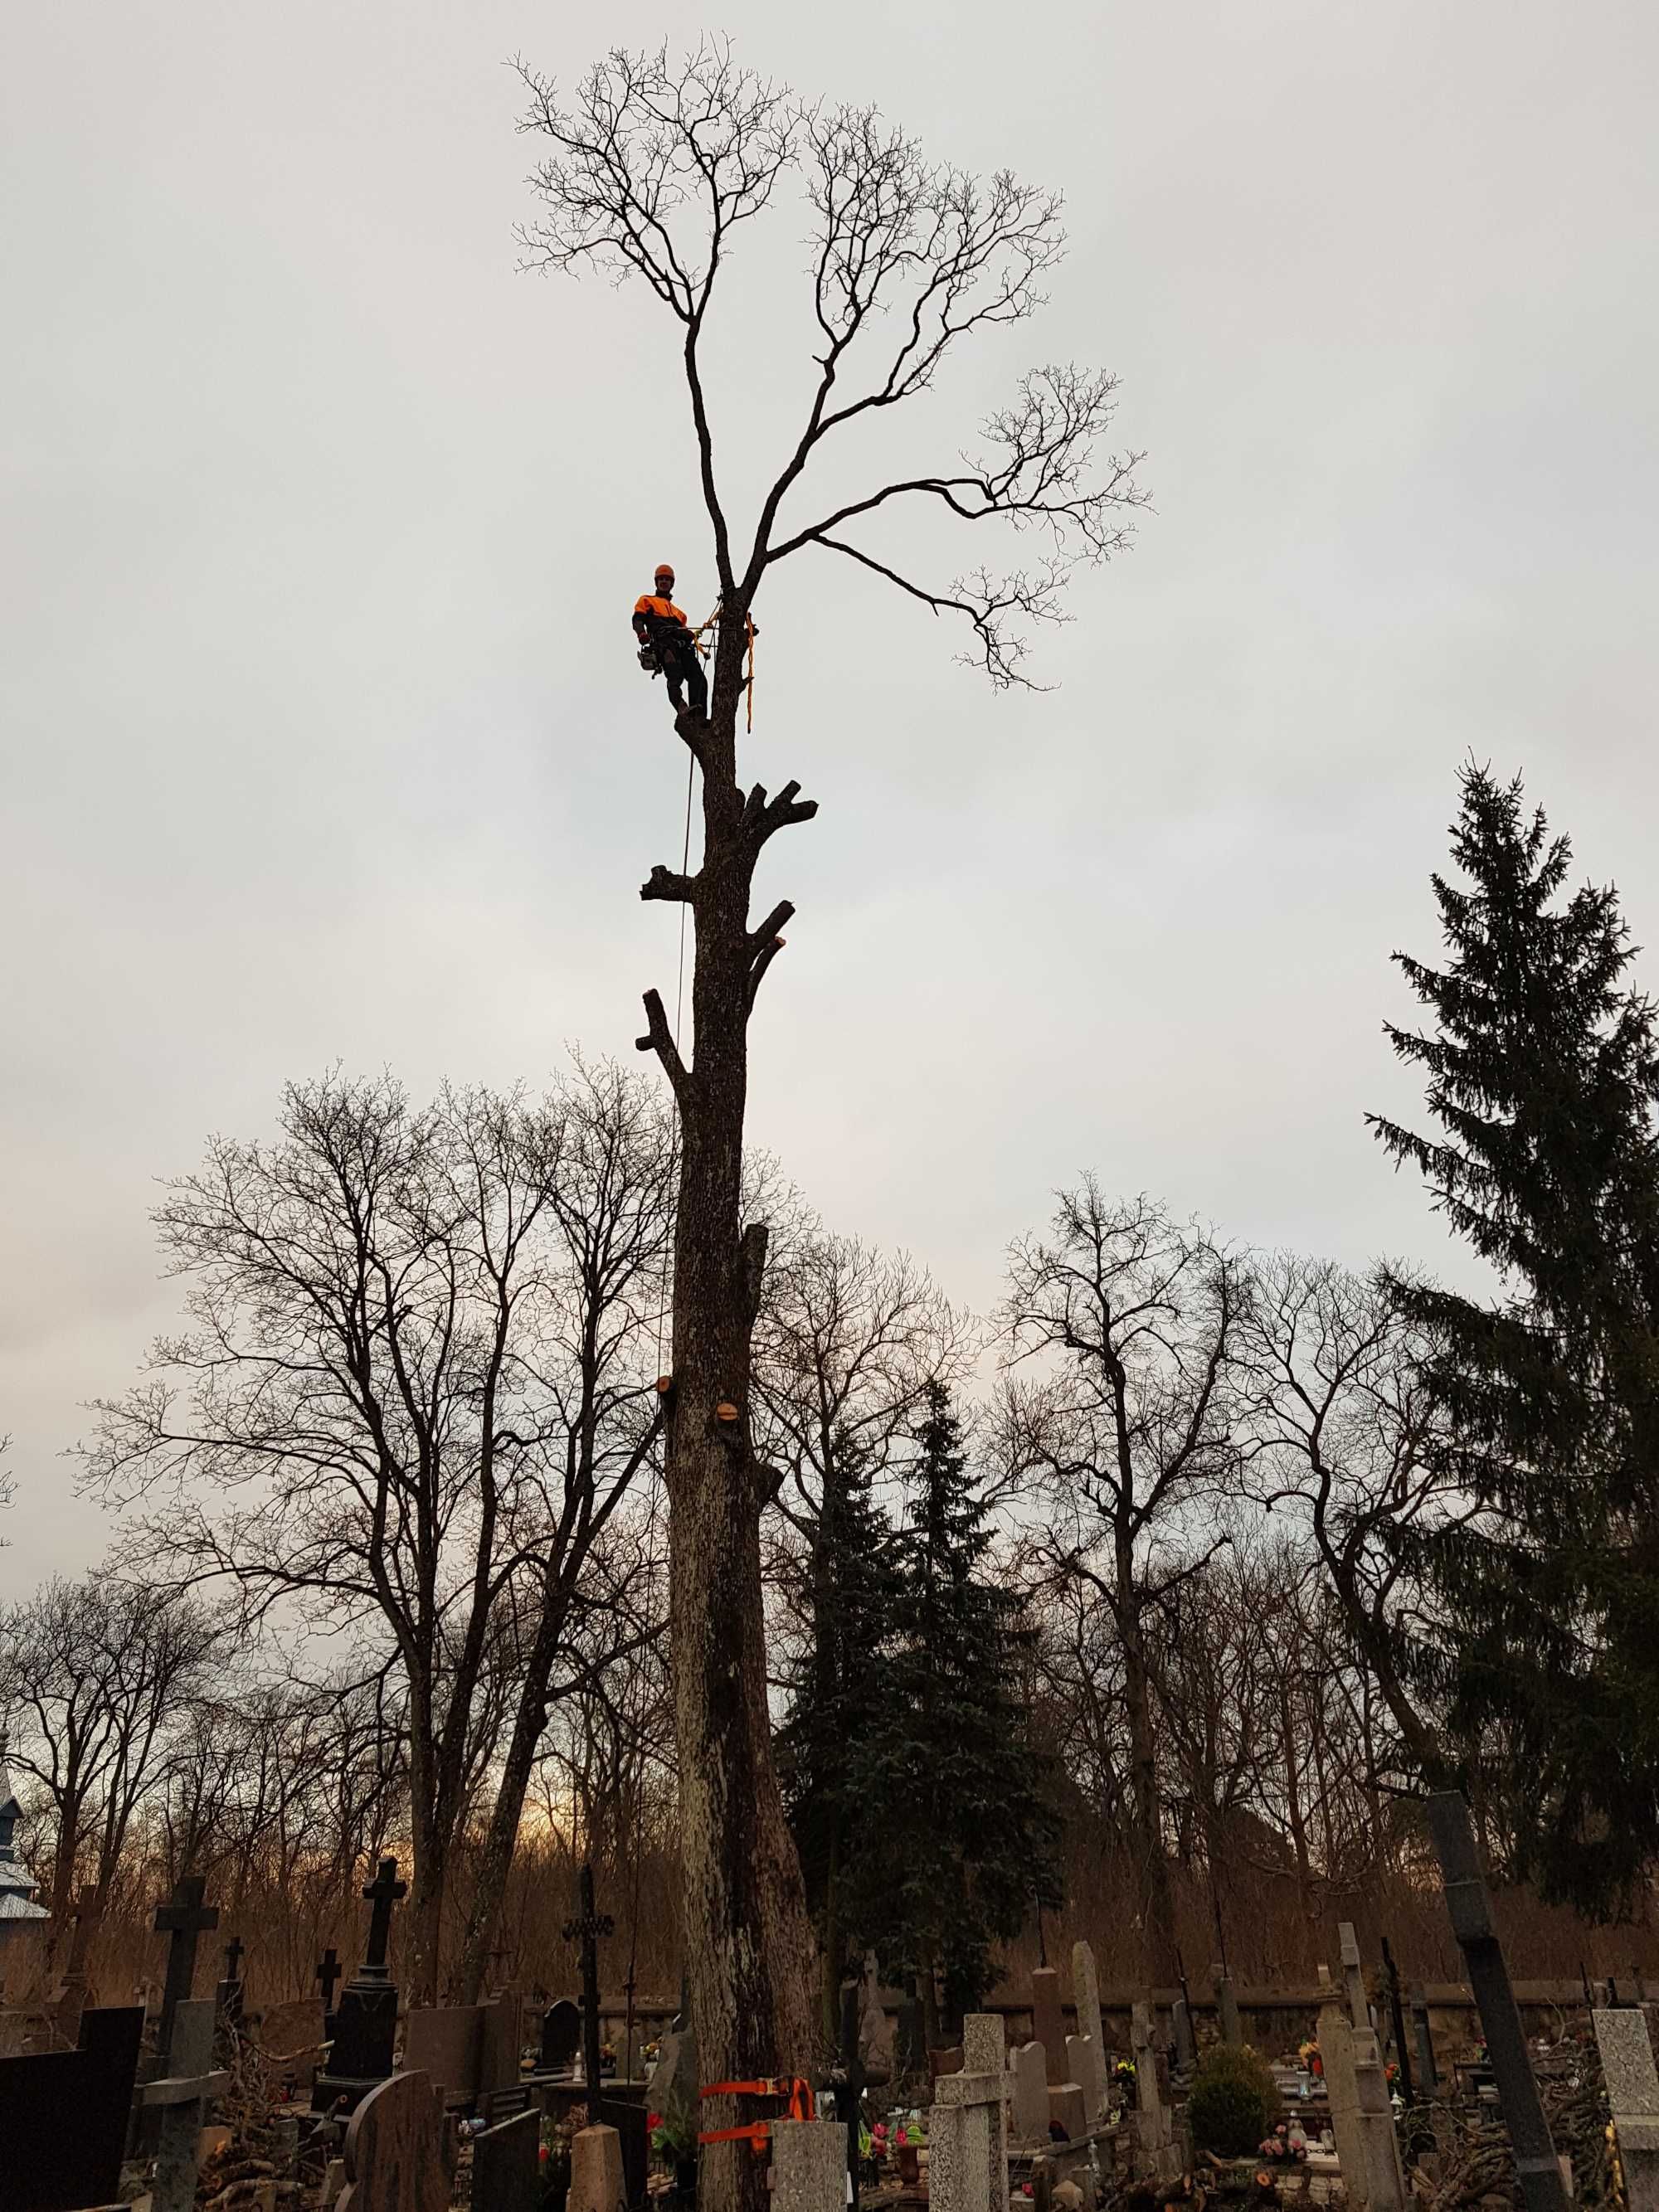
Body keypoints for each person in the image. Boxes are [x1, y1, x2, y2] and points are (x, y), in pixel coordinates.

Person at [632, 563, 708, 717]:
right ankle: (682, 708)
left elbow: (684, 632)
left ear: (672, 584)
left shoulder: (679, 613)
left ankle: (698, 714)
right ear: (657, 582)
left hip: (682, 646)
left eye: (667, 579)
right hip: (664, 644)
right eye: (661, 579)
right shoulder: (647, 601)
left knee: (698, 678)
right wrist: (641, 634)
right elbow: (638, 619)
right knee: (675, 676)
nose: (664, 582)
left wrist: (690, 635)